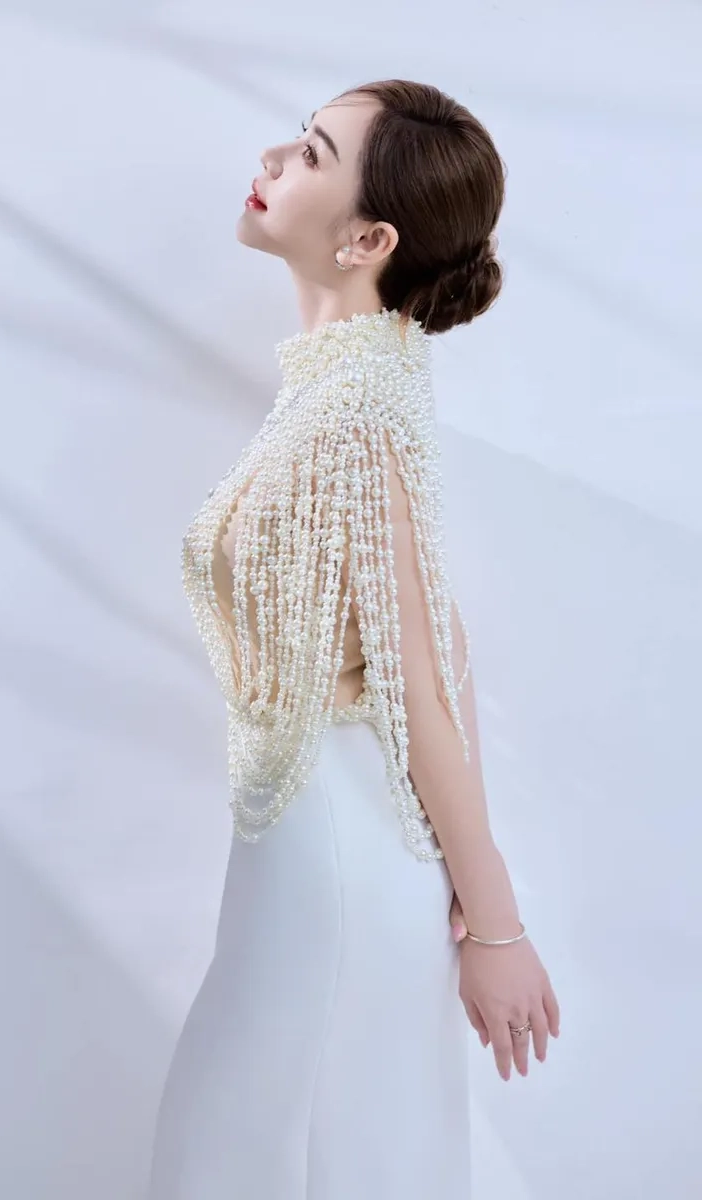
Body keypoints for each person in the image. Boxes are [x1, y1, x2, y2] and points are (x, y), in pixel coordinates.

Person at [149, 78, 560, 1199]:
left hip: (333, 850)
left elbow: (421, 671)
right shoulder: (353, 387)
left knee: (261, 1148)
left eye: (313, 153)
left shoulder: (352, 414)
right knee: (268, 1144)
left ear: (367, 240)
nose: (273, 158)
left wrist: (495, 924)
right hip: (316, 839)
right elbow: (438, 642)